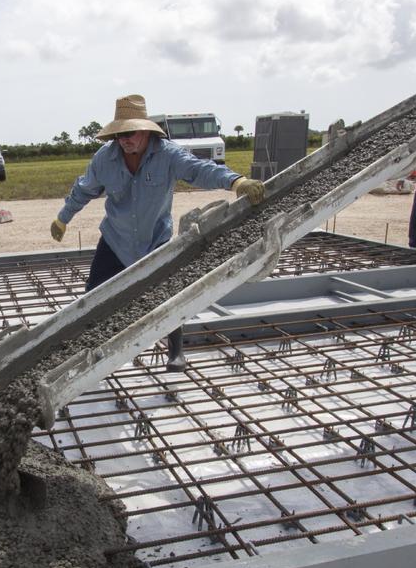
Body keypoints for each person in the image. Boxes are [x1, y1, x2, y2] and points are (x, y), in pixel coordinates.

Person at [50, 94, 265, 371]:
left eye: (130, 133)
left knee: (166, 294)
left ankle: (176, 351)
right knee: (94, 294)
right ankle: (88, 352)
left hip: (155, 239)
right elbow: (83, 189)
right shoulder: (105, 159)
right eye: (119, 134)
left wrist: (236, 181)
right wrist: (62, 218)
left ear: (145, 130)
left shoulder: (167, 154)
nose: (124, 140)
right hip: (116, 239)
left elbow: (200, 170)